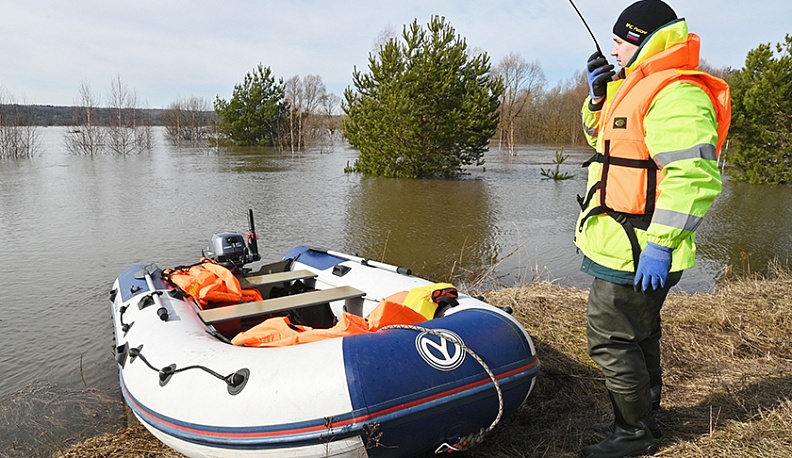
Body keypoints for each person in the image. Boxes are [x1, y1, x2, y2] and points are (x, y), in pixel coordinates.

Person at [575, 1, 731, 456]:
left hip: (640, 247)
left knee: (611, 337)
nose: (614, 48)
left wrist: (660, 244)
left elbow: (695, 175)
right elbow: (603, 142)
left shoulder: (676, 93)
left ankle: (632, 434)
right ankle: (646, 417)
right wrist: (598, 100)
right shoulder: (636, 87)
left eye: (622, 40)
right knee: (639, 333)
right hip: (622, 241)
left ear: (646, 40)